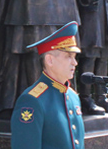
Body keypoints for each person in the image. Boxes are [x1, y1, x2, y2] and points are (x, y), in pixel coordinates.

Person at [11, 21, 85, 149]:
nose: (75, 63)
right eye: (68, 56)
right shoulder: (32, 100)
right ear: (50, 60)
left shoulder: (72, 96)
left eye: (74, 57)